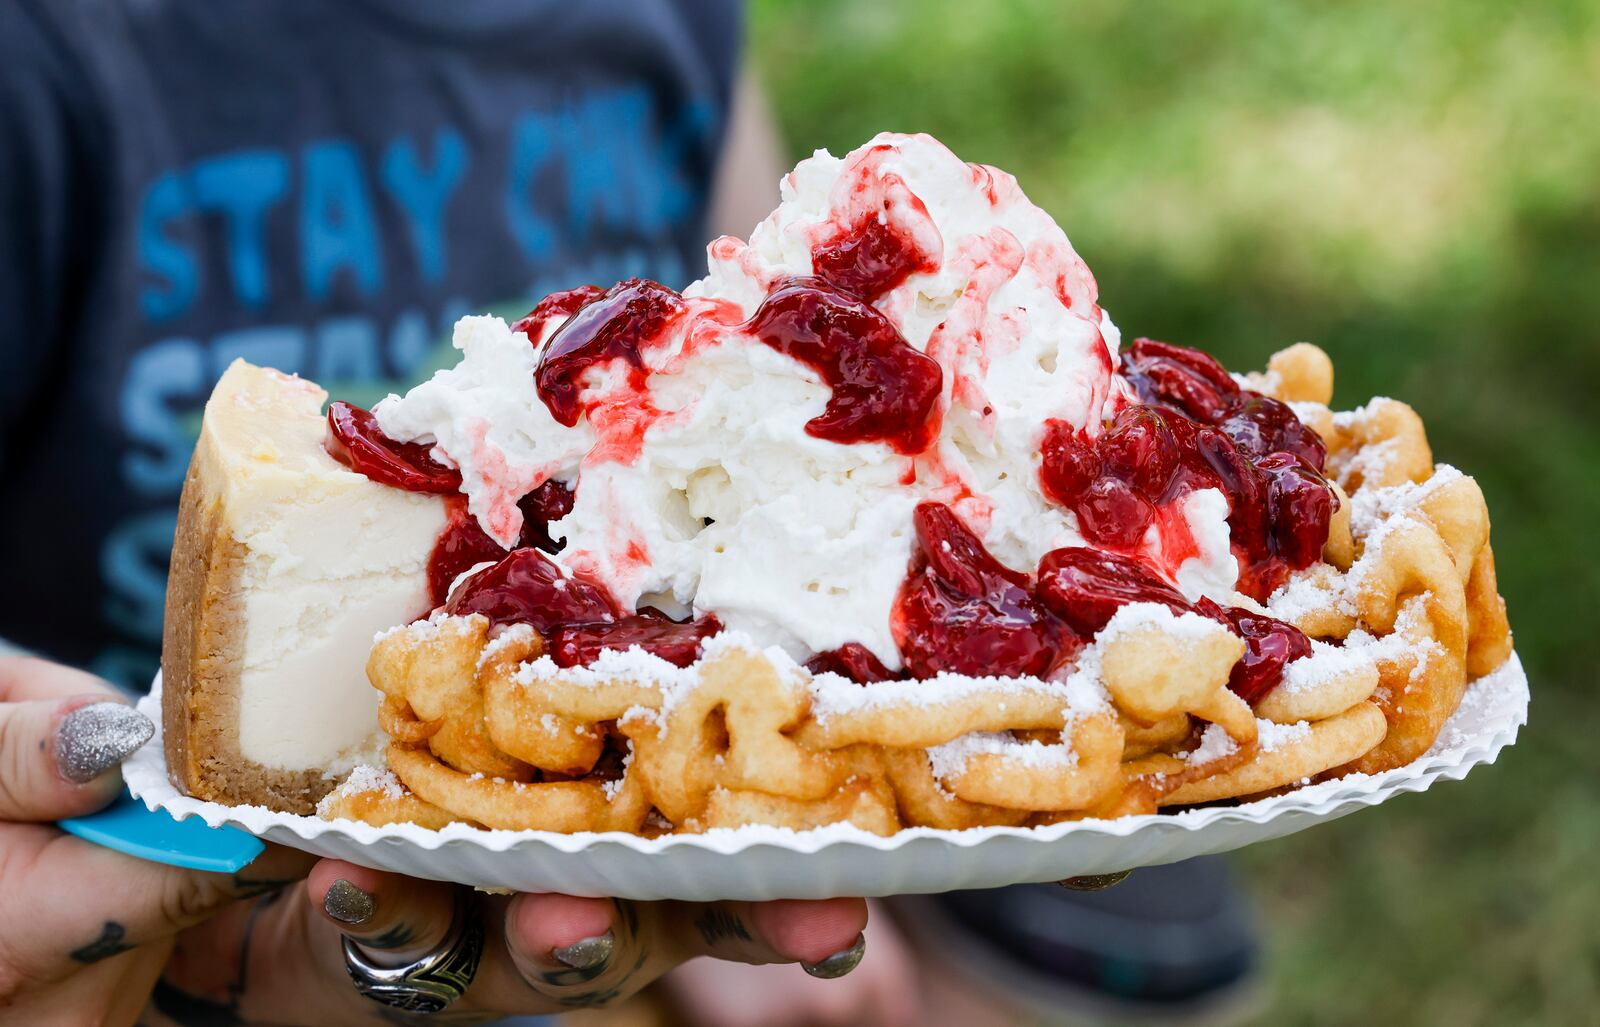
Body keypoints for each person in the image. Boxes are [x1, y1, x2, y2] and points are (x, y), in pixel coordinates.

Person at [0, 2, 1254, 1023]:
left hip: (661, 802)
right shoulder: (52, 56)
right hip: (110, 916)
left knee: (1129, 922)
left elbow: (781, 375)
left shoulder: (668, 19)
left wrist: (735, 847)